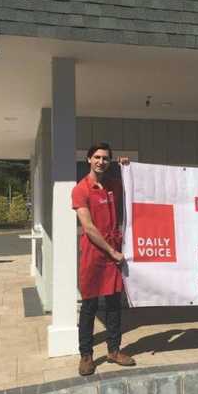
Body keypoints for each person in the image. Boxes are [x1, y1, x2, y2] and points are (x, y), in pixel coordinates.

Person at [72, 142, 135, 376]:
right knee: (89, 305)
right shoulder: (81, 189)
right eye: (97, 157)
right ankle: (86, 355)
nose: (101, 161)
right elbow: (88, 227)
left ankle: (114, 350)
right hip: (94, 253)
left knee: (113, 304)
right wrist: (113, 251)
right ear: (89, 159)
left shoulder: (114, 185)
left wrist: (128, 167)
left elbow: (135, 186)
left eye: (106, 158)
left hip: (112, 252)